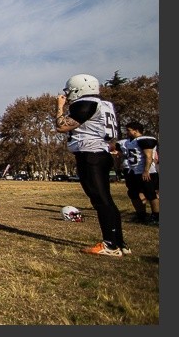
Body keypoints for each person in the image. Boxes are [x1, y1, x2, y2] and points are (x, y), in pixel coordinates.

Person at [55, 73, 130, 257]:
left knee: (100, 200)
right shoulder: (105, 105)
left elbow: (62, 126)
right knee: (106, 199)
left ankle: (111, 245)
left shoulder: (86, 103)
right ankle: (119, 242)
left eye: (70, 91)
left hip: (91, 155)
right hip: (101, 152)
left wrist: (59, 107)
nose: (68, 94)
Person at [123, 121, 159, 225]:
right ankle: (141, 215)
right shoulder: (130, 141)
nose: (127, 132)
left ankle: (156, 216)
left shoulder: (144, 139)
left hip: (146, 172)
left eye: (129, 130)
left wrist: (146, 171)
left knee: (151, 194)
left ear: (136, 131)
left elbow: (148, 156)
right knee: (133, 193)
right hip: (133, 171)